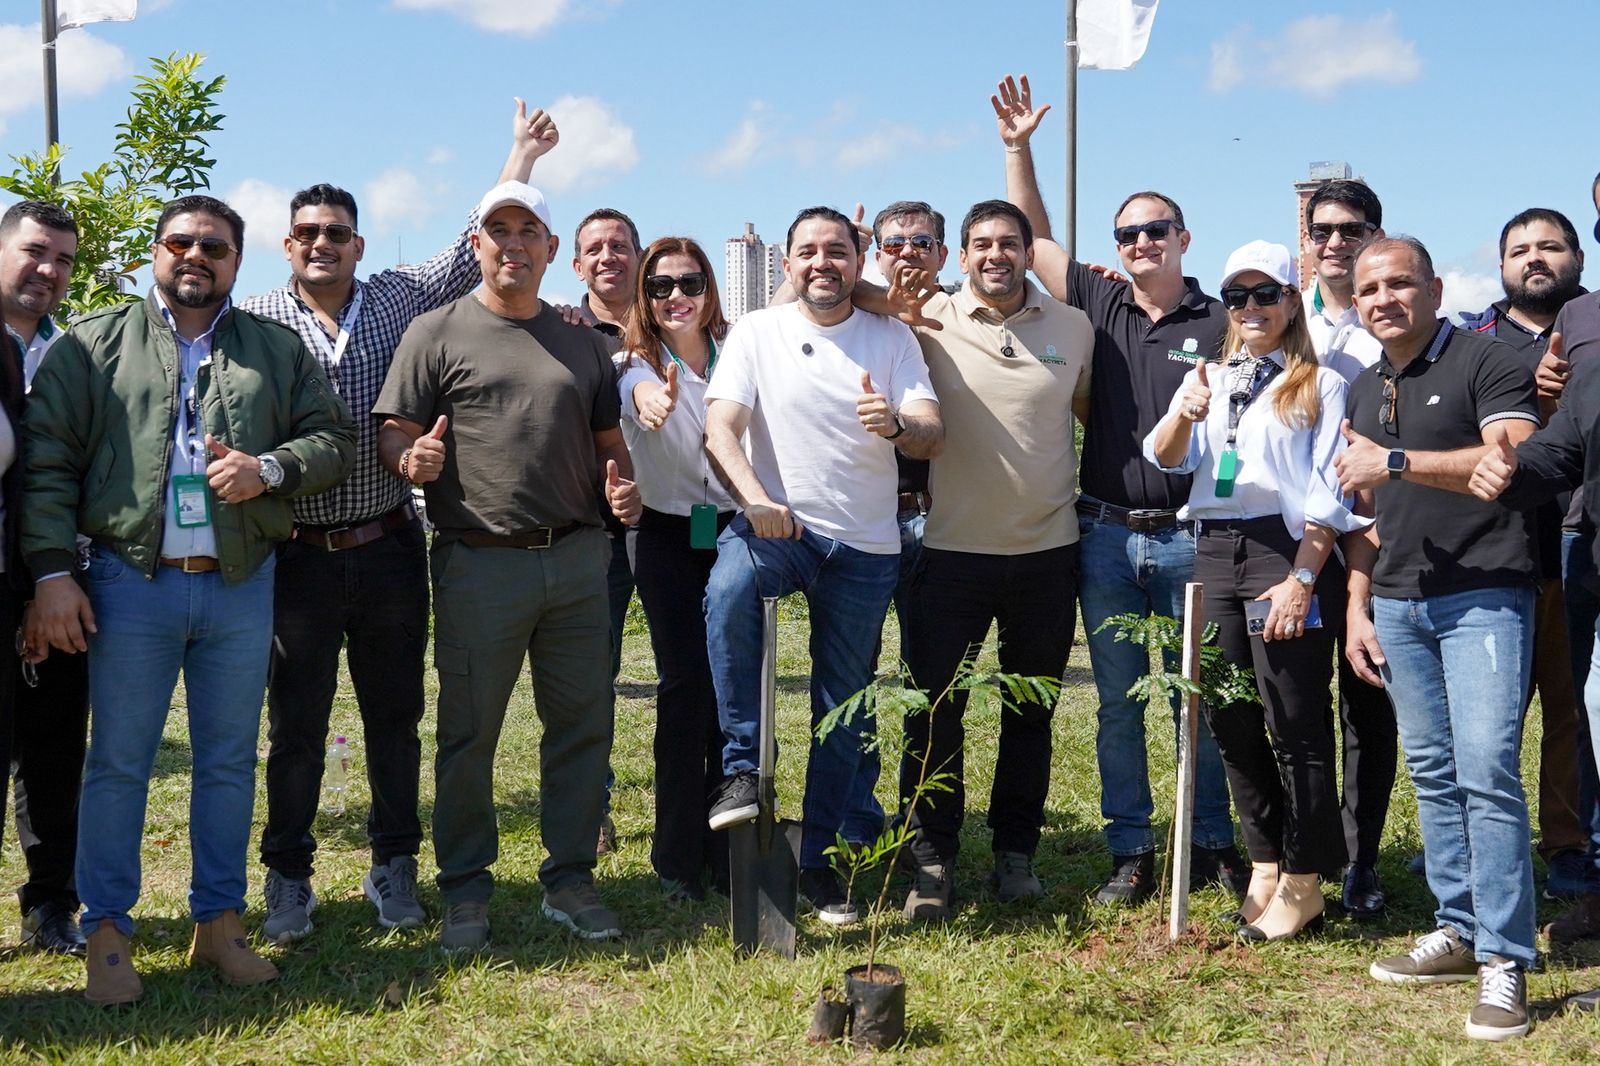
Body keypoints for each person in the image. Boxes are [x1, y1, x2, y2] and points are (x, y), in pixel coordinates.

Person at [22, 194, 356, 1005]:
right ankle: (108, 930)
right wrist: (52, 572)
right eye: (180, 243)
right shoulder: (92, 344)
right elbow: (47, 462)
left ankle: (219, 922)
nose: (195, 256)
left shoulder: (274, 348)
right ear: (155, 251)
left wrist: (267, 470)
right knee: (119, 762)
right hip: (128, 585)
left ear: (238, 260)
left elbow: (332, 441)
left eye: (214, 246)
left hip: (240, 584)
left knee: (228, 761)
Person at [240, 99, 559, 943]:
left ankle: (394, 864)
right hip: (297, 555)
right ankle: (288, 875)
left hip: (386, 545)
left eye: (337, 233)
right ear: (287, 244)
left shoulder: (394, 300)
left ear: (359, 246)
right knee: (296, 724)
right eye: (307, 232)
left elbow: (469, 243)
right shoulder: (256, 322)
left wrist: (520, 156)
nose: (322, 243)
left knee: (394, 718)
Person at [994, 73, 1244, 904]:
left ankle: (1210, 841)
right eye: (1128, 233)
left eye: (1155, 230)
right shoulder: (1099, 302)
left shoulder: (1223, 321)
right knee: (1117, 704)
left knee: (1197, 700)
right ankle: (1130, 850)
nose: (1141, 243)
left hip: (1194, 537)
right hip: (1104, 534)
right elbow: (1035, 240)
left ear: (1183, 237)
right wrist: (1018, 150)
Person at [374, 181, 638, 951]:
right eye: (499, 230)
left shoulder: (581, 342)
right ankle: (465, 888)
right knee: (468, 736)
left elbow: (608, 444)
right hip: (479, 563)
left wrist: (621, 489)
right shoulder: (435, 330)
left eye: (529, 230)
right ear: (477, 244)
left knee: (583, 726)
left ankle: (571, 878)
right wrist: (410, 458)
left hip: (579, 560)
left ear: (551, 249)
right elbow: (395, 429)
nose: (513, 243)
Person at [702, 205, 942, 925]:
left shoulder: (893, 337)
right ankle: (743, 769)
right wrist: (756, 501)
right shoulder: (757, 331)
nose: (821, 263)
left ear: (858, 260)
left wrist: (895, 424)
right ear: (787, 264)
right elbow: (720, 427)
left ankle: (821, 862)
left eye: (836, 251)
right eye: (807, 251)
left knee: (844, 707)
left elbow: (930, 431)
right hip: (782, 529)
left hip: (865, 547)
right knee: (730, 587)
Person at [1334, 236, 1539, 1041]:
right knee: (1432, 770)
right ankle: (1457, 926)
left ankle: (1504, 957)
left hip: (1483, 594)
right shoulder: (1365, 387)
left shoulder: (1486, 361)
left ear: (1435, 288)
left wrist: (1394, 459)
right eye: (1369, 289)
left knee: (1487, 772)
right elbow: (1368, 515)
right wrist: (1357, 605)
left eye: (1399, 284)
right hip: (1397, 603)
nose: (1383, 299)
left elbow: (1511, 456)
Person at [1146, 241, 1366, 941]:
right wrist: (1185, 411)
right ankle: (1264, 864)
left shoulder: (1319, 384)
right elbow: (1166, 458)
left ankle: (1305, 879)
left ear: (1291, 301)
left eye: (1265, 294)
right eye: (1237, 297)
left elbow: (1329, 494)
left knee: (1295, 721)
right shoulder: (1208, 377)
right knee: (1230, 717)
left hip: (1281, 549)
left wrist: (1302, 578)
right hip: (1212, 551)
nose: (1251, 308)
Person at [888, 200, 1092, 920]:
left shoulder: (1074, 327)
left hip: (1047, 554)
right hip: (949, 554)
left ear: (1030, 251)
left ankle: (1016, 854)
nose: (995, 254)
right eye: (981, 244)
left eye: (1009, 242)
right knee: (933, 714)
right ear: (962, 254)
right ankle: (931, 858)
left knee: (1029, 713)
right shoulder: (925, 318)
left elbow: (1092, 419)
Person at [1457, 208, 1595, 904]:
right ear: (1502, 264)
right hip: (1495, 550)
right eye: (1519, 250)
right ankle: (1482, 843)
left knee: (1571, 708)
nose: (1534, 258)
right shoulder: (1471, 342)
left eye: (1549, 246)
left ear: (1577, 256)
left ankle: (1567, 845)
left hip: (1577, 544)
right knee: (1491, 715)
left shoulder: (1591, 326)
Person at [614, 236, 734, 900]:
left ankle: (731, 846)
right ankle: (678, 856)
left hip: (733, 531)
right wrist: (649, 401)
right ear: (645, 297)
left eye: (689, 283)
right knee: (685, 687)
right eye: (660, 287)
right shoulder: (632, 364)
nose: (676, 297)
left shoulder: (739, 354)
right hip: (664, 535)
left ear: (709, 290)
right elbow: (636, 392)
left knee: (733, 689)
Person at [1298, 179, 1396, 919]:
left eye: (1352, 229)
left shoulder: (1393, 319)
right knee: (1297, 706)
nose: (1336, 241)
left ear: (1374, 236)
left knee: (1368, 704)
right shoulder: (1273, 310)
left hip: (1373, 538)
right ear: (1307, 239)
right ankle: (1306, 855)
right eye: (1323, 229)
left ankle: (1362, 861)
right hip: (1296, 541)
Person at [0, 201, 90, 955]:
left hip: (61, 582)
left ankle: (52, 903)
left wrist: (49, 582)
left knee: (56, 747)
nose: (48, 270)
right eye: (34, 252)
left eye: (62, 260)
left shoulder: (75, 355)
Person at [570, 205, 645, 856]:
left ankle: (701, 801)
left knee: (697, 662)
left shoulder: (675, 316)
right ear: (576, 265)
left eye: (619, 246)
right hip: (600, 526)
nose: (608, 257)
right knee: (594, 671)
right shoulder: (561, 333)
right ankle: (591, 806)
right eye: (595, 249)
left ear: (639, 257)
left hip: (685, 520)